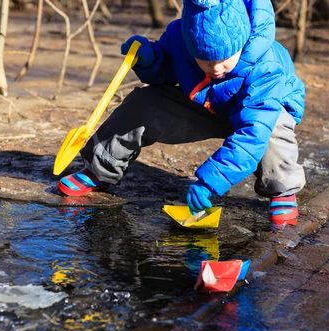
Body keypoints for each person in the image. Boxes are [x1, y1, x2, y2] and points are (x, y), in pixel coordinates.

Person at [58, 0, 306, 227]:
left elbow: (254, 132)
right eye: (206, 62)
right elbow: (166, 70)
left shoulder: (266, 65)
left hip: (261, 112)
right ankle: (101, 169)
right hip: (209, 106)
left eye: (225, 60)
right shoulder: (181, 37)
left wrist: (210, 181)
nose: (217, 69)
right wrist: (149, 60)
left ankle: (282, 189)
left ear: (242, 42)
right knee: (144, 103)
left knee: (272, 127)